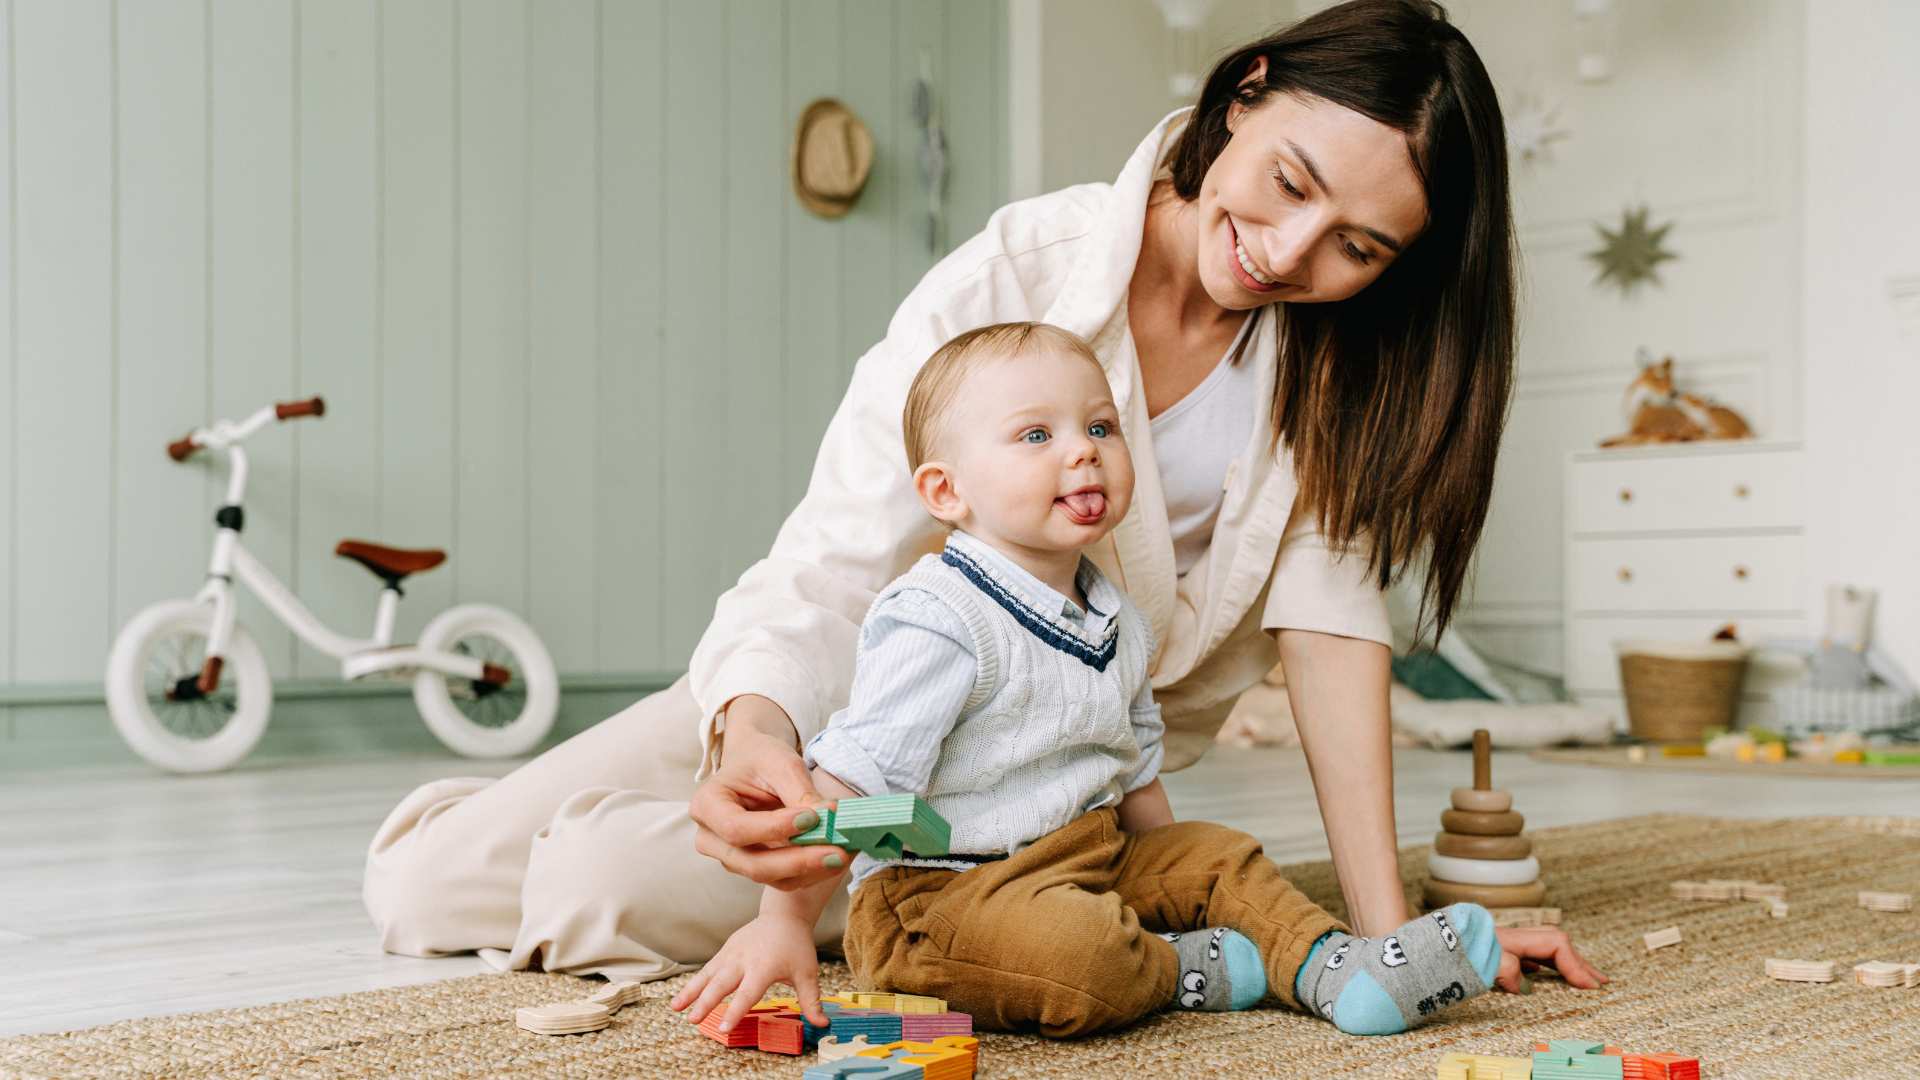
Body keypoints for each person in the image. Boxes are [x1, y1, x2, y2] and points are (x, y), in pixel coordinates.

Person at [363, 0, 1604, 998]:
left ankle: (942, 907)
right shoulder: (1025, 271)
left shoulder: (1337, 377)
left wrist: (1389, 937)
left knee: (590, 881)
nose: (1288, 252)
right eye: (1288, 181)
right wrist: (752, 736)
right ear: (1246, 92)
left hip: (1030, 792)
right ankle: (695, 826)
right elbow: (836, 559)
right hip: (854, 689)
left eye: (1357, 246)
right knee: (419, 889)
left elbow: (1333, 637)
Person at [670, 320, 1513, 1039]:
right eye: (1037, 436)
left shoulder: (1114, 614)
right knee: (1080, 954)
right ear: (946, 490)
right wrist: (780, 921)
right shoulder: (940, 617)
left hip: (1085, 854)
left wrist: (1178, 880)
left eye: (1102, 428)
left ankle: (1343, 972)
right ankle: (1176, 969)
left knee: (1224, 857)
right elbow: (853, 787)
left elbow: (1133, 764)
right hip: (941, 900)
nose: (1083, 451)